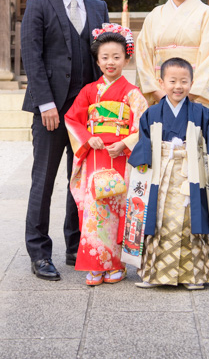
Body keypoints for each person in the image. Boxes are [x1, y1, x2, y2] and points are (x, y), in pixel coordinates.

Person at [21, 0, 109, 281]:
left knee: (81, 181)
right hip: (50, 111)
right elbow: (32, 55)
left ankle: (76, 245)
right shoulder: (38, 3)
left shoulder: (98, 6)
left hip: (87, 113)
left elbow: (105, 56)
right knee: (42, 180)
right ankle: (39, 252)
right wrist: (46, 102)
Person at [129, 57, 209, 289]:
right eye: (172, 81)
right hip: (160, 173)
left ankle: (193, 276)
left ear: (192, 83)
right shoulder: (152, 113)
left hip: (189, 172)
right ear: (162, 82)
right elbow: (143, 140)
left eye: (184, 81)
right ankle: (153, 273)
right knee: (159, 218)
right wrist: (142, 162)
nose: (178, 86)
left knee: (191, 219)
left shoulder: (202, 112)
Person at [65, 25, 148, 286]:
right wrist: (89, 137)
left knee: (119, 209)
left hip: (121, 157)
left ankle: (116, 264)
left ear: (126, 58)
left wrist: (124, 143)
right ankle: (95, 264)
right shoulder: (90, 91)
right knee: (95, 210)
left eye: (116, 57)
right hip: (96, 157)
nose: (110, 62)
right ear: (97, 60)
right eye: (105, 57)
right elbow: (72, 119)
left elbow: (142, 125)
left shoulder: (133, 94)